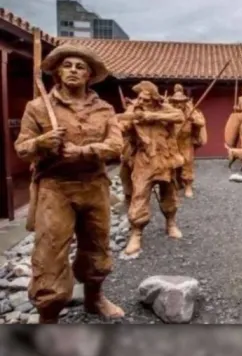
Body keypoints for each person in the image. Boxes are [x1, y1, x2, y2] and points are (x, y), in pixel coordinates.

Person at [14, 44, 125, 323]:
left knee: (97, 245)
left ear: (89, 75)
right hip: (55, 187)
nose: (73, 70)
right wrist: (41, 142)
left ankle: (94, 296)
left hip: (94, 185)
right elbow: (21, 148)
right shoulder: (39, 107)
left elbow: (116, 145)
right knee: (50, 250)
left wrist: (84, 151)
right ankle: (48, 314)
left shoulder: (104, 108)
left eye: (80, 67)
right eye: (67, 65)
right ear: (57, 72)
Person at [120, 81, 185, 255]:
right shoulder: (134, 110)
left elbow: (179, 116)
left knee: (169, 193)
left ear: (155, 100)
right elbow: (122, 125)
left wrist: (152, 116)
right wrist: (129, 119)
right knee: (139, 194)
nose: (142, 102)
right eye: (140, 98)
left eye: (146, 99)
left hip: (165, 159)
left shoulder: (165, 109)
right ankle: (136, 233)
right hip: (144, 160)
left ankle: (171, 223)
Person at [168, 84, 206, 198]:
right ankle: (175, 184)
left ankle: (188, 185)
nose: (179, 104)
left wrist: (192, 119)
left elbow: (201, 122)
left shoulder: (191, 110)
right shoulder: (169, 109)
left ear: (185, 101)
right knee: (173, 163)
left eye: (181, 102)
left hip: (186, 140)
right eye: (176, 102)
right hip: (173, 141)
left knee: (187, 162)